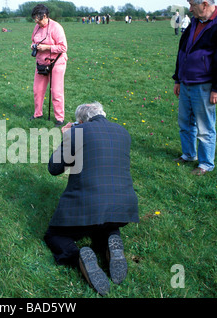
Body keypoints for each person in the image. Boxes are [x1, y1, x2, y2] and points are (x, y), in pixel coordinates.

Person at [44, 102, 139, 296]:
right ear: (102, 114)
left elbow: (54, 168)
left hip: (86, 206)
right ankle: (112, 238)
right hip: (123, 208)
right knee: (104, 225)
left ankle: (78, 256)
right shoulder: (123, 132)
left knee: (54, 235)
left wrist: (67, 137)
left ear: (80, 121)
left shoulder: (77, 132)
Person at [172, 0, 217, 176]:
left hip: (205, 85)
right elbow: (182, 51)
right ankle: (188, 155)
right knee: (185, 123)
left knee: (205, 127)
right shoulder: (194, 21)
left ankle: (206, 164)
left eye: (193, 4)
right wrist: (178, 78)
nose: (190, 8)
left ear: (205, 4)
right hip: (186, 82)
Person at [30, 4, 68, 127]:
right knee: (37, 90)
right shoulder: (36, 28)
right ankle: (38, 114)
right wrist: (33, 46)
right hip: (41, 63)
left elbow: (63, 47)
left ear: (45, 16)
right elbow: (33, 40)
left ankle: (59, 118)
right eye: (35, 20)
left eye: (39, 20)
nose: (37, 23)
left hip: (56, 62)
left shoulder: (56, 28)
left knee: (56, 91)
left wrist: (47, 47)